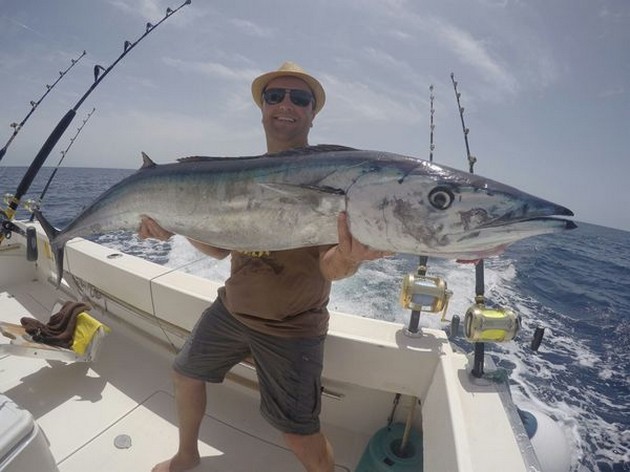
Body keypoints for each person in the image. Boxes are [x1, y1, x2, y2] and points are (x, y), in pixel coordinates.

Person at [143, 62, 389, 472]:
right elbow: (219, 251)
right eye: (274, 96)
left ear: (313, 112)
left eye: (300, 98)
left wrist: (349, 256)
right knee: (185, 374)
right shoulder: (240, 176)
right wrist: (176, 225)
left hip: (291, 325)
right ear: (262, 108)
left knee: (298, 432)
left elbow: (330, 268)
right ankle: (187, 455)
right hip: (233, 310)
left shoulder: (333, 175)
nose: (286, 104)